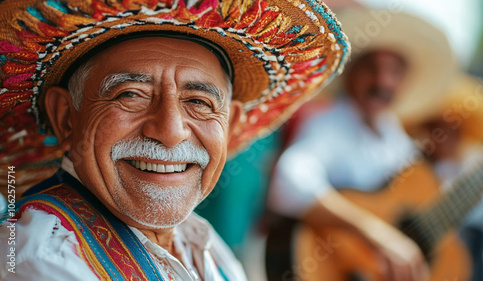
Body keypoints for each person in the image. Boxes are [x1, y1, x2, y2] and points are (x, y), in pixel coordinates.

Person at [0, 0, 350, 280]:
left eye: (198, 102)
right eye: (131, 95)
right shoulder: (41, 259)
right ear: (66, 118)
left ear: (229, 126)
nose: (170, 131)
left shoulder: (200, 240)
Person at [267, 8, 467, 281]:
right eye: (371, 67)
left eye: (394, 71)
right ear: (350, 72)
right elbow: (288, 180)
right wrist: (373, 232)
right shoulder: (328, 125)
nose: (382, 81)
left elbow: (423, 201)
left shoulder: (395, 138)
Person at [404, 74, 483, 281]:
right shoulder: (409, 163)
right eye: (437, 127)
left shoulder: (475, 167)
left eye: (453, 128)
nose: (444, 136)